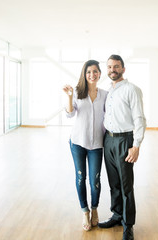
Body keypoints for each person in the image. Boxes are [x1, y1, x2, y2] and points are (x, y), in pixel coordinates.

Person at [98, 55, 146, 240]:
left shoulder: (132, 90)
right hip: (108, 140)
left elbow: (139, 118)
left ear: (123, 69)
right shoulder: (109, 91)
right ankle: (117, 215)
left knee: (126, 186)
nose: (112, 70)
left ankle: (128, 225)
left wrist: (136, 145)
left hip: (125, 141)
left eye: (116, 66)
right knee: (114, 184)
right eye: (109, 67)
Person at [63, 60, 108, 231]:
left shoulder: (104, 94)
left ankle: (95, 209)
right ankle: (85, 211)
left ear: (99, 73)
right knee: (81, 178)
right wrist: (69, 97)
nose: (92, 75)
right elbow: (70, 114)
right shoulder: (77, 93)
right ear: (84, 74)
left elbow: (109, 115)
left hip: (97, 143)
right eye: (89, 72)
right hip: (78, 143)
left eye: (95, 71)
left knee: (95, 180)